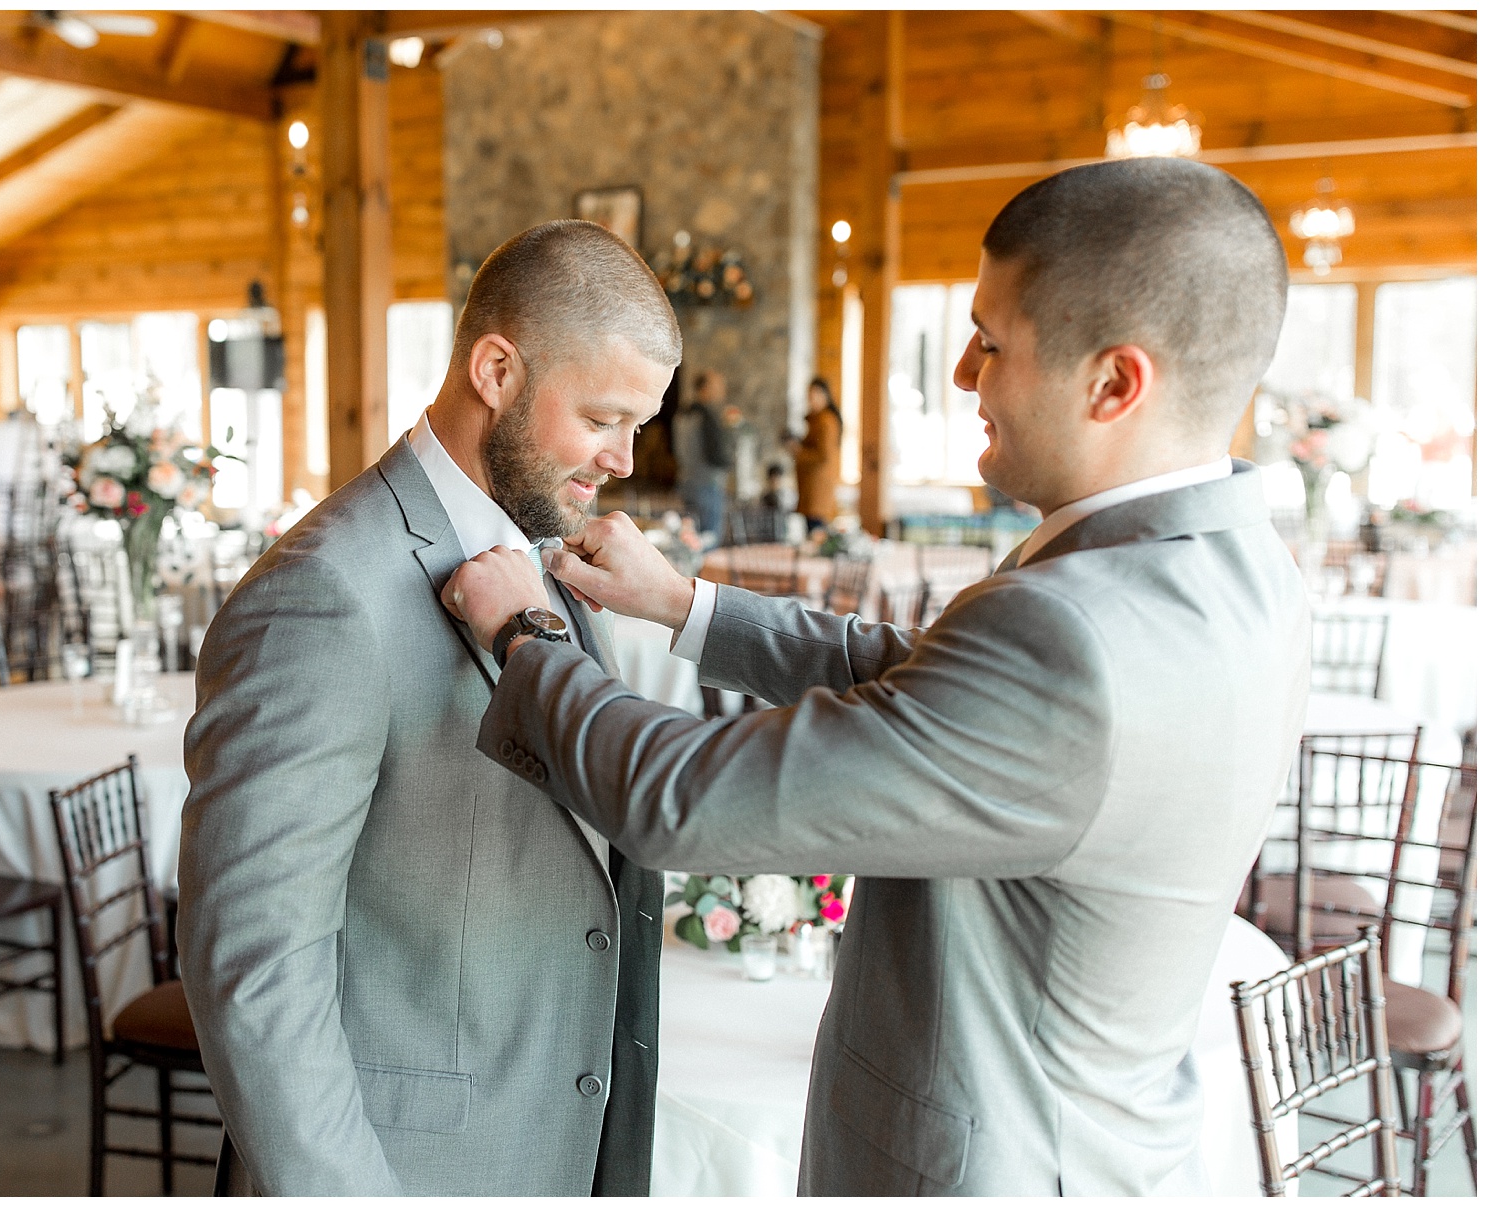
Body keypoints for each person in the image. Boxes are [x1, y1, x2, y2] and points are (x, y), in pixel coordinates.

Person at [442, 158, 1307, 1195]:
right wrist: (686, 606)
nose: (962, 378)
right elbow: (928, 689)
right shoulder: (1234, 565)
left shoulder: (1080, 633)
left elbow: (686, 800)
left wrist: (528, 639)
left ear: (1113, 382)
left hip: (990, 1165)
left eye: (991, 344)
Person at [177, 220, 679, 1195]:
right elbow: (257, 972)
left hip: (545, 1137)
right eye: (604, 418)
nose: (623, 459)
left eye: (639, 427)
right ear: (496, 369)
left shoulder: (552, 554)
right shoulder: (323, 593)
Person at [671, 371, 735, 544]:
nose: (722, 391)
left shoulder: (682, 414)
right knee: (708, 538)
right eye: (718, 386)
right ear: (705, 389)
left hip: (686, 480)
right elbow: (716, 454)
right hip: (707, 483)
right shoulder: (706, 416)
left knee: (690, 536)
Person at [793, 377, 841, 531]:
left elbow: (824, 455)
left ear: (824, 395)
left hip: (818, 490)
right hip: (812, 488)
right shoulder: (817, 420)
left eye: (814, 394)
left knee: (816, 534)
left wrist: (799, 452)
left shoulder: (826, 421)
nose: (810, 398)